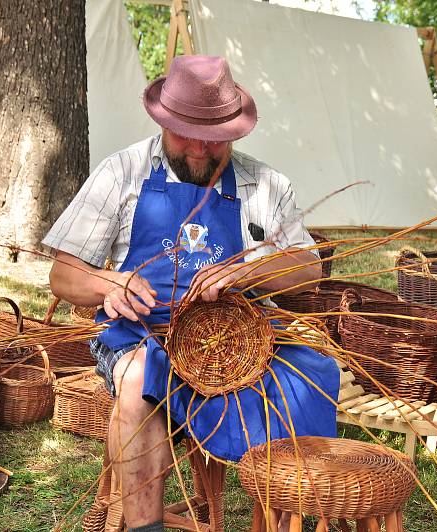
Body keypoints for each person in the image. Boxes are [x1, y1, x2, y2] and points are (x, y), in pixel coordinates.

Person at [44, 56, 340, 532]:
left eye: (214, 138)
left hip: (240, 340)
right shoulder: (122, 173)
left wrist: (250, 269)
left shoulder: (265, 185)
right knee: (142, 380)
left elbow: (307, 270)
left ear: (235, 131)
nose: (201, 149)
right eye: (187, 134)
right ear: (163, 121)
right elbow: (63, 275)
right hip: (140, 334)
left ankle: (286, 520)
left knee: (310, 373)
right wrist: (107, 282)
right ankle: (147, 527)